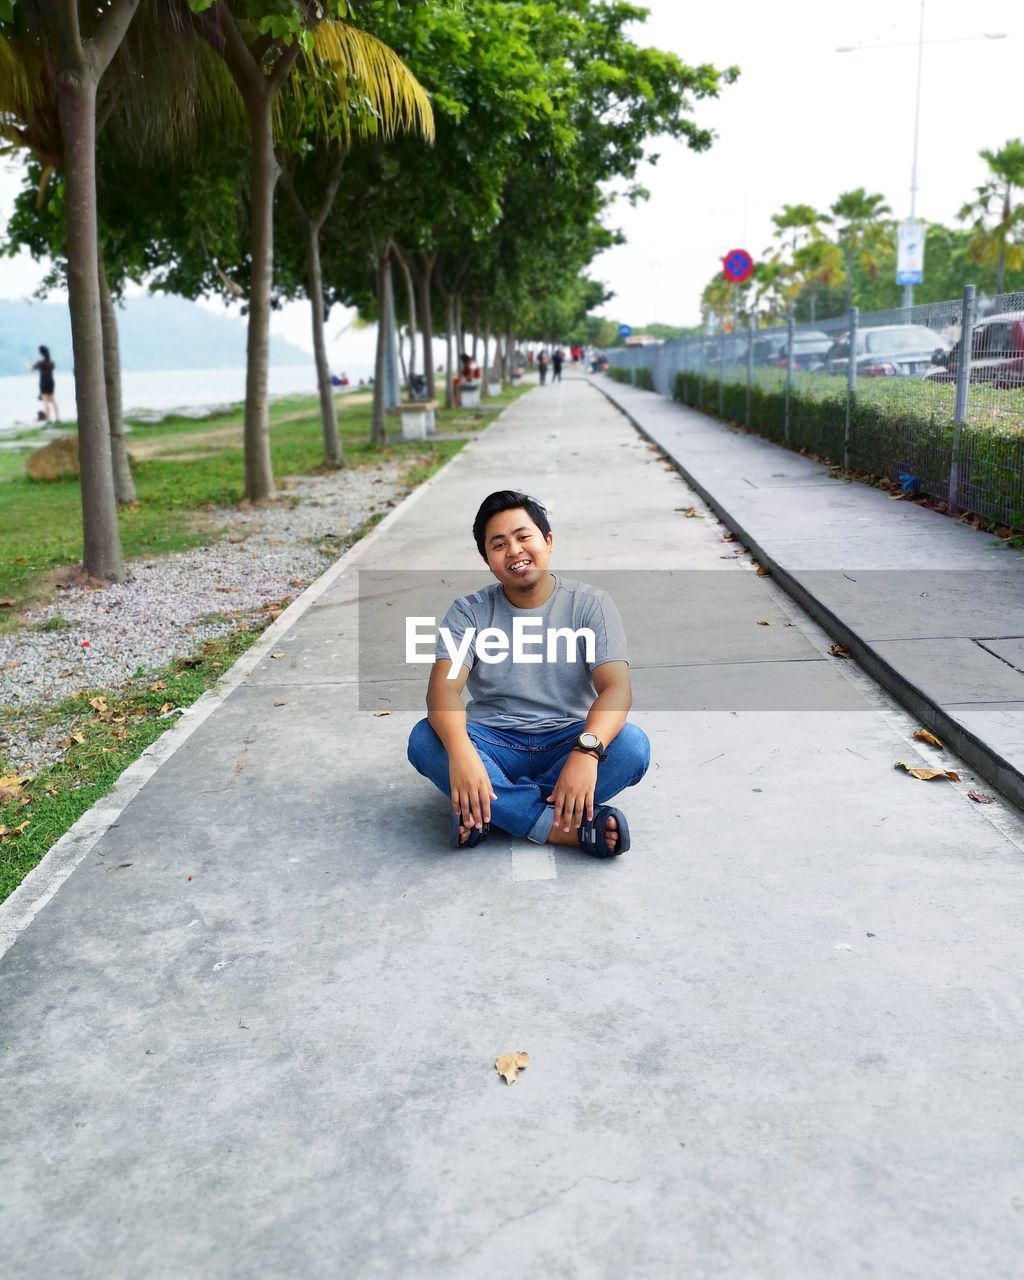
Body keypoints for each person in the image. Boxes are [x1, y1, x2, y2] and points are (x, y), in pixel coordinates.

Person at [407, 490, 650, 857]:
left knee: (632, 746)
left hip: (566, 739)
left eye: (524, 537)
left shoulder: (590, 605)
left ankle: (492, 810)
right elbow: (442, 692)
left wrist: (586, 752)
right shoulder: (469, 612)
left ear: (548, 541)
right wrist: (463, 755)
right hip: (493, 741)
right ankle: (559, 826)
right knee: (425, 740)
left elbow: (616, 689)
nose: (515, 551)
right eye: (499, 544)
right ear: (488, 559)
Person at [30, 345, 59, 423]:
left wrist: (28, 366)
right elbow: (52, 368)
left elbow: (31, 369)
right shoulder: (51, 362)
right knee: (53, 400)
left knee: (45, 402)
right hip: (51, 382)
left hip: (43, 383)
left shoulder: (40, 363)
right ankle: (57, 418)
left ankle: (49, 419)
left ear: (41, 353)